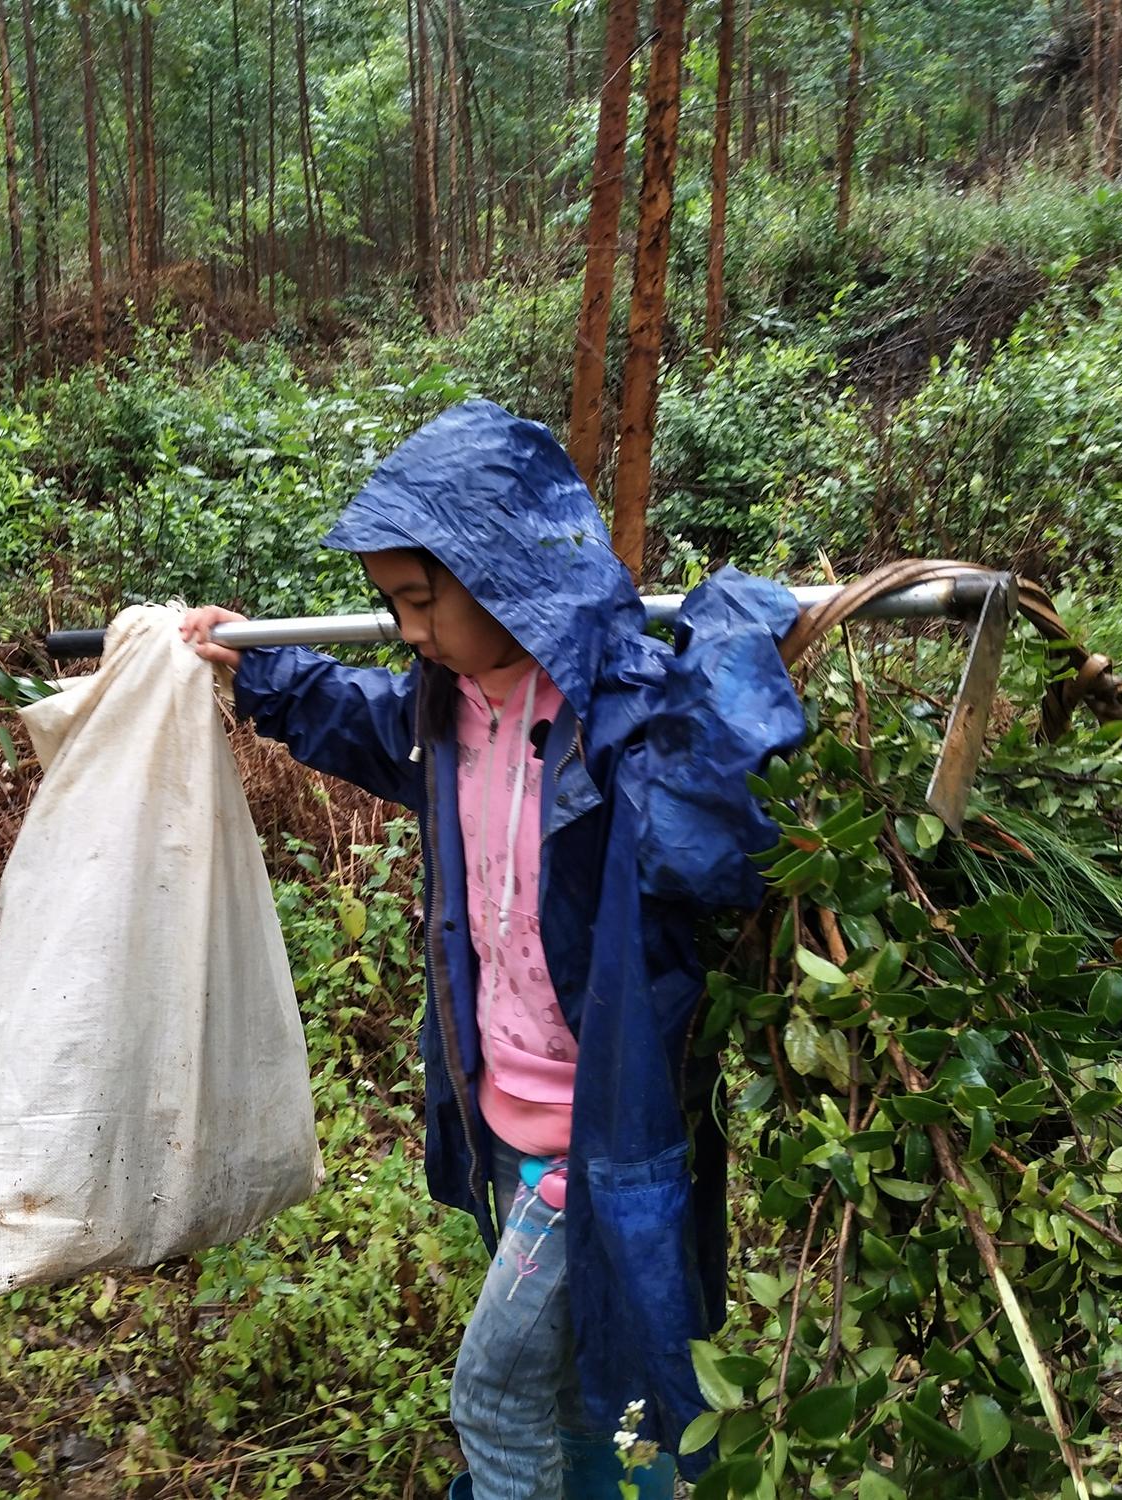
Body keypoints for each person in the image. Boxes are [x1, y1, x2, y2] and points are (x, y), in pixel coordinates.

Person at [180, 400, 805, 1499]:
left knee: (495, 1393)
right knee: (579, 1401)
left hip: (601, 1138)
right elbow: (354, 715)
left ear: (503, 569)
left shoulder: (621, 727)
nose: (407, 629)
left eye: (421, 600)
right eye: (390, 606)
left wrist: (730, 645)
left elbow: (721, 840)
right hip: (503, 1125)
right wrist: (254, 667)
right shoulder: (446, 714)